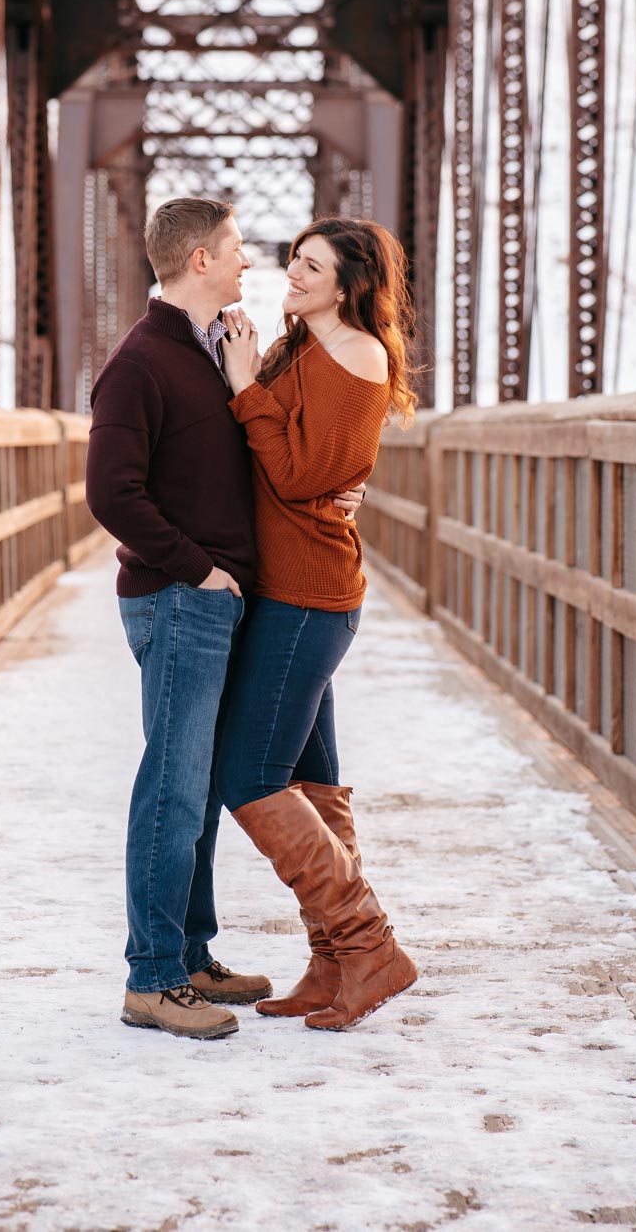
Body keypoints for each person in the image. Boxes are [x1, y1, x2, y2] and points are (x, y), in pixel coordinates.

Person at [85, 197, 364, 1042]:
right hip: (180, 600)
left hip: (220, 600)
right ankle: (153, 978)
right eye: (239, 249)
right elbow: (111, 494)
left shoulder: (215, 351)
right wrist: (198, 569)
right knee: (172, 789)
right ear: (201, 260)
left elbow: (283, 449)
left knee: (199, 790)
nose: (252, 263)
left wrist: (335, 487)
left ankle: (192, 955)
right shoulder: (140, 363)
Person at [215, 217, 419, 1031]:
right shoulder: (301, 343)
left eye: (312, 267)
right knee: (314, 782)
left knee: (250, 775)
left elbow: (300, 473)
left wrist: (242, 387)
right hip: (287, 590)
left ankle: (370, 946)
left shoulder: (358, 354)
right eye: (293, 260)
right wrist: (251, 380)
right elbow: (284, 457)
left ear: (350, 284)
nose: (292, 275)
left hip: (310, 596)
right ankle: (335, 961)